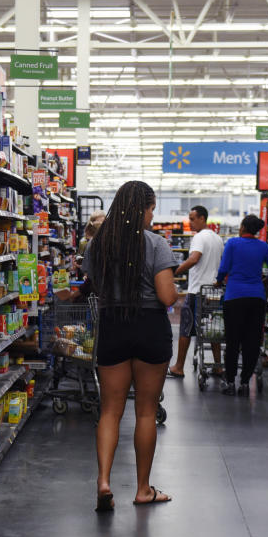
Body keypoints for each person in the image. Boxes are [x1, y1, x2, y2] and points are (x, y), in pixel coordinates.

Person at [82, 180, 177, 511]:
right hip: (150, 327)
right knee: (146, 411)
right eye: (152, 209)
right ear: (143, 209)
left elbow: (92, 287)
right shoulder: (157, 244)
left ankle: (104, 481)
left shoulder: (98, 247)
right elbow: (167, 297)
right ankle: (142, 489)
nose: (153, 215)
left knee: (110, 410)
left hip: (113, 326)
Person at [216, 214, 268, 395]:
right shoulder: (263, 246)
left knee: (233, 341)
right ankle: (245, 383)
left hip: (234, 297)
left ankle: (229, 382)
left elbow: (223, 268)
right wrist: (265, 281)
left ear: (243, 227)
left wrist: (219, 281)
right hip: (256, 298)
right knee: (251, 342)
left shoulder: (233, 244)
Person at [167, 205, 223, 379]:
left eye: (192, 218)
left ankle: (179, 366)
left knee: (186, 328)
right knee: (212, 329)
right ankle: (217, 366)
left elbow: (194, 258)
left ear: (202, 218)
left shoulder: (199, 237)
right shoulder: (217, 238)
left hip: (197, 291)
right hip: (213, 291)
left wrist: (173, 272)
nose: (189, 222)